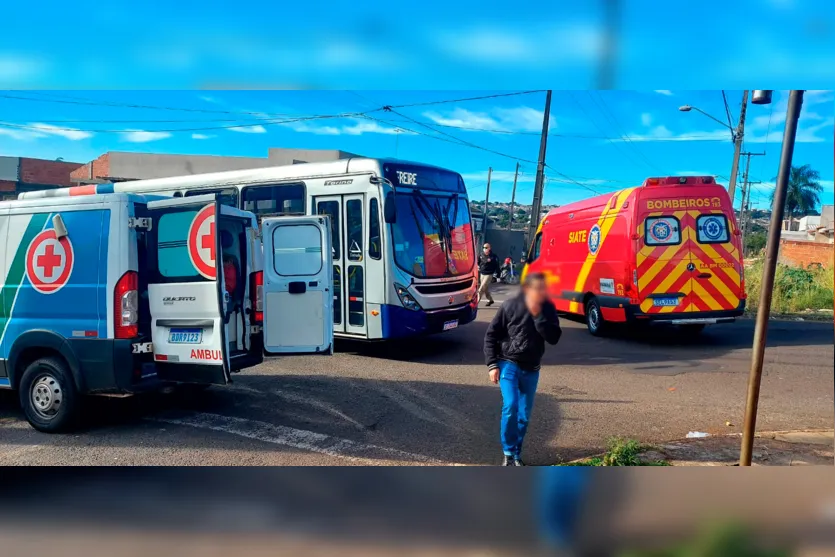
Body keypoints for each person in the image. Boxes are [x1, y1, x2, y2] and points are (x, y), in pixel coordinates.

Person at [483, 272, 561, 466]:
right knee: (511, 406)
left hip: (532, 368)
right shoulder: (510, 305)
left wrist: (538, 316)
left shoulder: (548, 309)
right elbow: (491, 336)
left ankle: (517, 453)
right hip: (508, 362)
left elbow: (554, 337)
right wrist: (492, 365)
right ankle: (508, 453)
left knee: (524, 416)